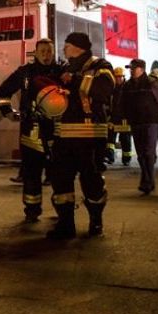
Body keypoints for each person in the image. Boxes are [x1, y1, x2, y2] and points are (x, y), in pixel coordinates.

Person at [48, 32, 114, 239]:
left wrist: (75, 80)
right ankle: (66, 225)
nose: (63, 50)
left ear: (76, 47)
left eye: (66, 46)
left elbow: (103, 91)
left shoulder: (101, 66)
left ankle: (96, 221)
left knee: (91, 181)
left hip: (90, 136)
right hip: (63, 136)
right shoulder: (65, 69)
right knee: (60, 181)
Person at [0, 38, 62, 223]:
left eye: (49, 51)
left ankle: (62, 210)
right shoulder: (25, 73)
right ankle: (32, 210)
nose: (46, 55)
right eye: (42, 51)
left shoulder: (62, 72)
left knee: (60, 174)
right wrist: (8, 112)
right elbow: (3, 91)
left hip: (56, 130)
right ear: (36, 53)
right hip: (30, 130)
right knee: (31, 173)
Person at [121, 60, 158, 194]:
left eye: (133, 68)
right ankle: (147, 180)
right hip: (136, 123)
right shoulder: (127, 86)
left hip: (151, 122)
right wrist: (120, 118)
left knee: (149, 153)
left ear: (141, 69)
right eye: (130, 68)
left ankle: (148, 182)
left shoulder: (152, 84)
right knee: (140, 154)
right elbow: (122, 104)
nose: (131, 70)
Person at [106, 67, 132, 166]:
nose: (119, 79)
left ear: (124, 77)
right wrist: (108, 117)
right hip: (113, 118)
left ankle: (126, 159)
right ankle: (110, 157)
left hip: (124, 119)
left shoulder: (128, 89)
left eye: (120, 77)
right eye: (117, 77)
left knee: (125, 139)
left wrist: (129, 117)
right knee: (110, 140)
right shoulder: (111, 89)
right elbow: (107, 103)